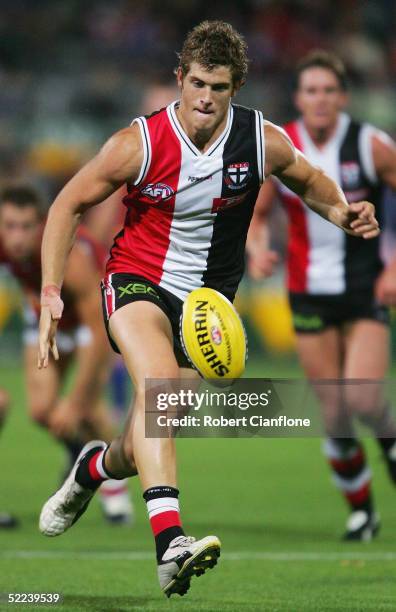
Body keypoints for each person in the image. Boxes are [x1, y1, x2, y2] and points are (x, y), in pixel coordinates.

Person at [37, 22, 379, 598]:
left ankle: (93, 469)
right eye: (196, 83)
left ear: (235, 87)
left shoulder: (258, 139)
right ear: (180, 79)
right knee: (160, 391)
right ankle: (170, 542)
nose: (204, 98)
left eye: (218, 87)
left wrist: (343, 213)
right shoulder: (137, 143)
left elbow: (309, 178)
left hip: (207, 307)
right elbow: (68, 203)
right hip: (136, 281)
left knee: (153, 425)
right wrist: (51, 289)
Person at [247, 50, 396, 540]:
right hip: (307, 292)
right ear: (298, 97)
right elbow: (258, 206)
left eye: (329, 90)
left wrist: (394, 267)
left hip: (364, 289)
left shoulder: (370, 144)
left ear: (343, 97)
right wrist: (258, 247)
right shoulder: (281, 144)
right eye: (311, 90)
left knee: (364, 396)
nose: (320, 99)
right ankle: (362, 512)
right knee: (333, 411)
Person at [0, 185, 134, 524]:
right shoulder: (6, 246)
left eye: (26, 227)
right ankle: (80, 458)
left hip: (98, 321)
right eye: (9, 226)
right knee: (43, 409)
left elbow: (97, 332)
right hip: (48, 315)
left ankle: (113, 487)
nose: (16, 237)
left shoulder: (73, 258)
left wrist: (76, 401)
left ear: (43, 226)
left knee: (87, 408)